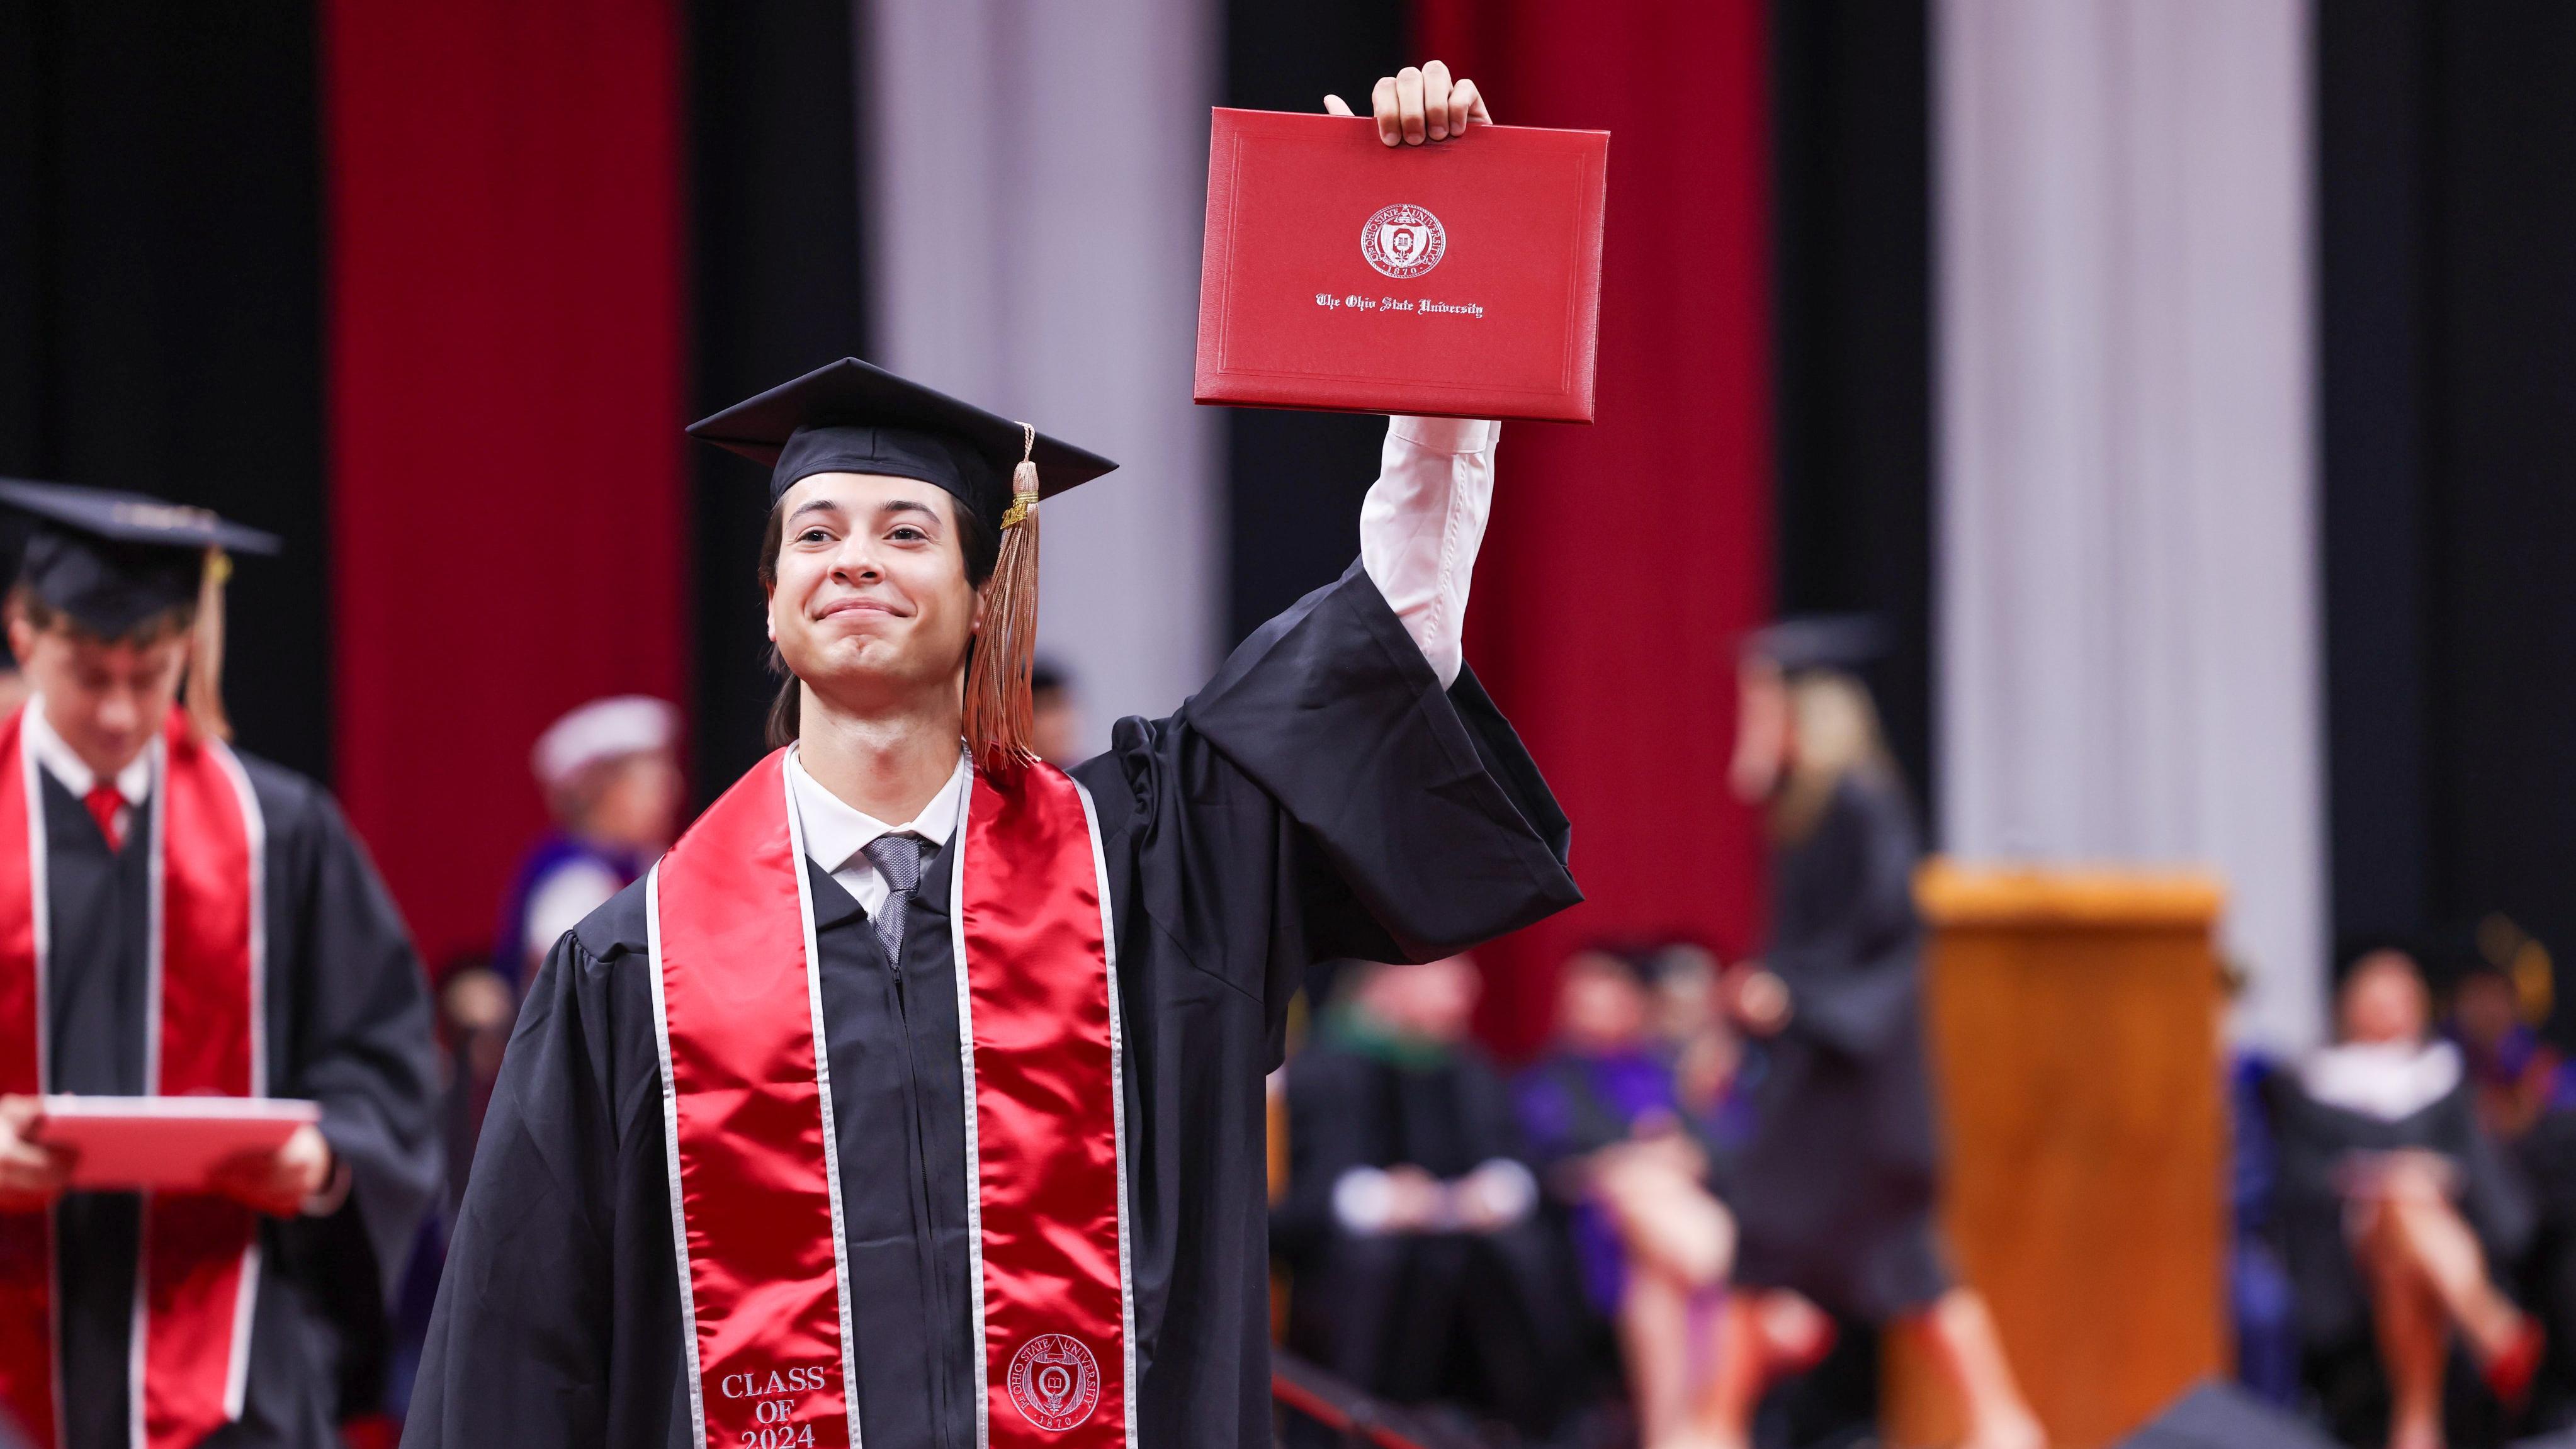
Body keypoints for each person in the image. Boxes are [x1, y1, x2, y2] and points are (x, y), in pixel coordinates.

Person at [404, 62, 1580, 1449]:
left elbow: (1392, 632)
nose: (856, 556)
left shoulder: (1150, 872)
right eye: (817, 531)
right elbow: (516, 1366)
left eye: (908, 530)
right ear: (771, 606)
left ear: (984, 597)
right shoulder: (630, 969)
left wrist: (1438, 281)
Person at [0, 479, 441, 1449]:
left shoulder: (280, 830)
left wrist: (326, 1159)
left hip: (231, 1360)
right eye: (88, 671)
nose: (121, 711)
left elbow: (385, 1055)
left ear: (185, 653)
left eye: (150, 673)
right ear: (23, 634)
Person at [1702, 617, 2043, 1449]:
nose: (1753, 714)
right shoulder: (1809, 808)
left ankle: (1710, 1424)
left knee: (1879, 1260)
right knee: (1793, 1251)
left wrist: (1792, 994)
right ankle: (1711, 1422)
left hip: (1858, 1086)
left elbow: (1887, 934)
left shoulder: (1861, 798)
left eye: (1764, 699)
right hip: (1827, 1080)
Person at [1275, 957, 1576, 1438]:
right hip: (1351, 1252)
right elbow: (1295, 1193)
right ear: (1389, 979)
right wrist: (1375, 1199)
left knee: (1519, 1252)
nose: (1468, 989)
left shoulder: (1467, 1065)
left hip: (1459, 1235)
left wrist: (1494, 1190)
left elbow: (1513, 1159)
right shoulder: (1325, 1064)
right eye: (1448, 973)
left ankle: (1520, 1429)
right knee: (1378, 1263)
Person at [2270, 948, 2542, 1449]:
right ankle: (2493, 1327)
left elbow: (2480, 1169)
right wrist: (2371, 1178)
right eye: (2377, 996)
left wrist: (2432, 1173)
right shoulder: (2315, 1080)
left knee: (2407, 1255)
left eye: (2400, 997)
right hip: (2346, 1243)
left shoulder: (2441, 1078)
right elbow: (2300, 1178)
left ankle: (2415, 1428)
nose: (2389, 1009)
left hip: (2434, 1238)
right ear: (2349, 1005)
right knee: (2399, 1193)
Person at [1518, 947, 1737, 1449]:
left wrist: (1686, 1156)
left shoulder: (1668, 1072)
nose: (1592, 1007)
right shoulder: (1549, 1079)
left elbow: (1723, 1144)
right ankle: (1724, 1260)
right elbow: (1548, 1161)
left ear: (1634, 1001)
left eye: (1605, 994)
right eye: (1581, 997)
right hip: (1596, 1234)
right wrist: (1632, 1161)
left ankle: (1669, 1438)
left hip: (1657, 1250)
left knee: (1657, 1283)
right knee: (1639, 1186)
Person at [492, 694, 684, 989]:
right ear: (603, 793)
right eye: (652, 785)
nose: (673, 794)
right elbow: (582, 990)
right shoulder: (574, 879)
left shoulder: (644, 860)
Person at [1029, 657, 1082, 769]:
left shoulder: (1087, 781)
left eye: (1063, 706)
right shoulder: (990, 783)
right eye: (1048, 708)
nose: (1063, 722)